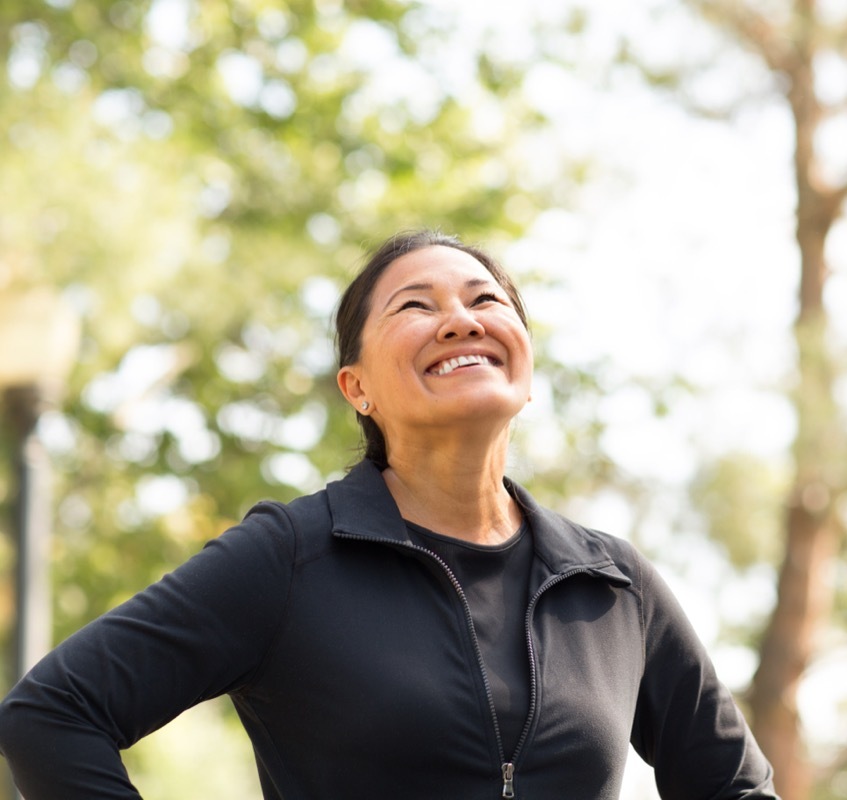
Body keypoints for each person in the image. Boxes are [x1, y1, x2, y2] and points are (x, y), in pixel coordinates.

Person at [0, 230, 778, 799]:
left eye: (486, 301)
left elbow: (735, 790)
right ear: (357, 388)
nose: (461, 319)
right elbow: (51, 714)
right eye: (416, 305)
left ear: (525, 365)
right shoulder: (290, 556)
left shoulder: (613, 583)